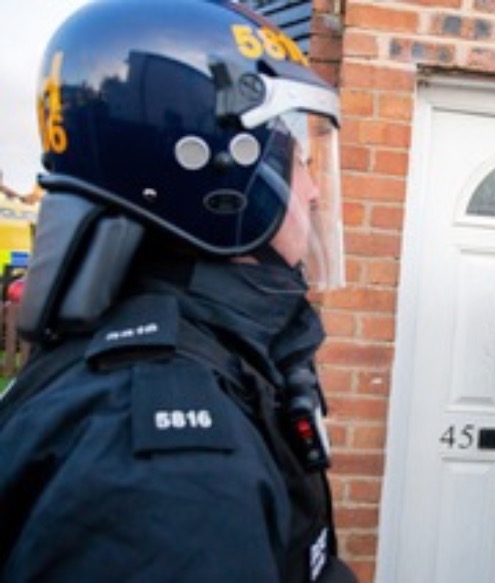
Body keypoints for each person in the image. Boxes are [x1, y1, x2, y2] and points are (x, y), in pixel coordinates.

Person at [0, 1, 357, 581]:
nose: (314, 191)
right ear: (219, 172)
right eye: (299, 161)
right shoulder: (171, 471)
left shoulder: (152, 347)